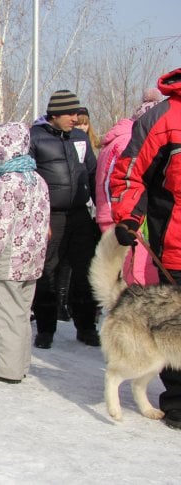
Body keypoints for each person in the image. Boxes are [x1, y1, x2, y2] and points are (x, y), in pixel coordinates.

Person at [110, 66, 181, 430]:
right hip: (175, 243)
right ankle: (178, 402)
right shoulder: (163, 117)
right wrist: (126, 218)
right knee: (175, 328)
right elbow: (129, 172)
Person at [0, 122, 50, 383]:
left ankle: (6, 370)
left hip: (7, 259)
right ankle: (20, 364)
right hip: (31, 258)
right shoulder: (38, 180)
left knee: (4, 314)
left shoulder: (5, 183)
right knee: (21, 314)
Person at [30, 89, 100, 349]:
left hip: (80, 215)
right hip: (50, 216)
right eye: (70, 113)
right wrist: (38, 217)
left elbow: (92, 174)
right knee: (46, 272)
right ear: (55, 114)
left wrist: (101, 210)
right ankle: (46, 329)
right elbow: (31, 179)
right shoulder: (35, 138)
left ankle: (86, 327)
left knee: (84, 271)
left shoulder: (80, 137)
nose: (75, 117)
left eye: (76, 112)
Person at [95, 88, 163, 287]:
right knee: (136, 274)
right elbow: (124, 181)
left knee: (121, 275)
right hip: (125, 216)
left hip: (113, 212)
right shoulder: (129, 142)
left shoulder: (117, 140)